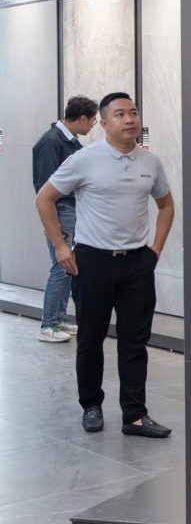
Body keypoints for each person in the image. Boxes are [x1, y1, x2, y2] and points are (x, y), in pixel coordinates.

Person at [34, 92, 175, 438]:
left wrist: (155, 249)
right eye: (120, 114)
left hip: (137, 263)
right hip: (93, 262)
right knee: (91, 338)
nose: (129, 119)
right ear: (103, 122)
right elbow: (45, 198)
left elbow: (166, 205)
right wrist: (61, 246)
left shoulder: (150, 162)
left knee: (134, 341)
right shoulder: (85, 159)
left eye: (133, 112)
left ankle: (135, 415)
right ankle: (91, 406)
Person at [31, 95, 98, 342]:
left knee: (69, 266)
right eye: (93, 121)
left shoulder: (71, 142)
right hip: (60, 211)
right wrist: (53, 225)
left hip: (71, 209)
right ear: (82, 119)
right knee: (61, 266)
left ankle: (59, 318)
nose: (93, 126)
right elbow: (45, 188)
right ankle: (48, 324)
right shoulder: (51, 142)